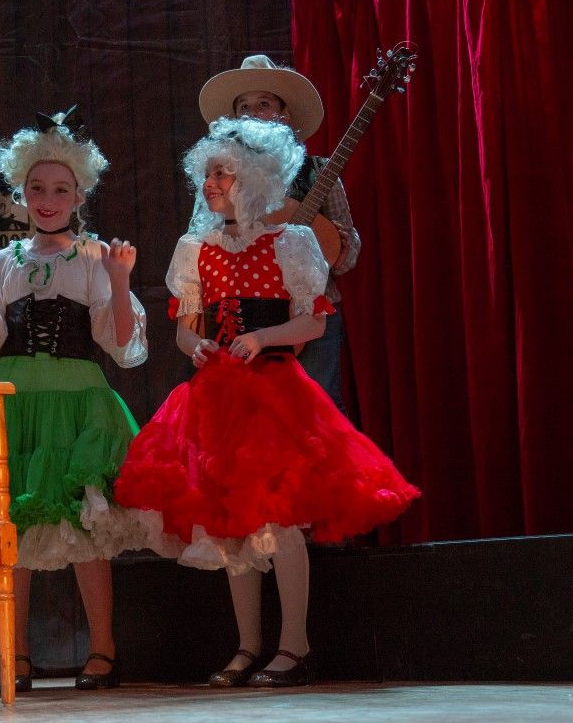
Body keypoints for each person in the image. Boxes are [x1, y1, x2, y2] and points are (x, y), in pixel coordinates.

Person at [113, 116, 418, 688]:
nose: (210, 185)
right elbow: (184, 329)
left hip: (275, 394)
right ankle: (247, 645)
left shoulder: (291, 243)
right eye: (207, 175)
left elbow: (314, 322)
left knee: (281, 520)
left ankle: (295, 644)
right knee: (230, 526)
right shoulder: (195, 249)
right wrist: (199, 346)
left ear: (252, 179)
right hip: (219, 398)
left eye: (222, 174)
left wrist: (263, 337)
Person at [0, 108, 149, 691]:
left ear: (79, 195)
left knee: (86, 526)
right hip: (16, 400)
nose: (48, 200)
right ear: (20, 193)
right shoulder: (5, 262)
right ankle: (13, 652)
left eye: (60, 189)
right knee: (11, 524)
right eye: (37, 188)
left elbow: (122, 345)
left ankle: (103, 648)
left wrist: (119, 281)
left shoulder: (92, 257)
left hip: (77, 402)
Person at [199, 55, 359, 412]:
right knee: (253, 416)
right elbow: (207, 239)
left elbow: (348, 254)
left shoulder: (319, 171)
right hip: (246, 316)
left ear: (284, 115)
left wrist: (338, 246)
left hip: (313, 310)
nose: (253, 113)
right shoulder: (219, 175)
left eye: (264, 104)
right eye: (244, 107)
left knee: (318, 410)